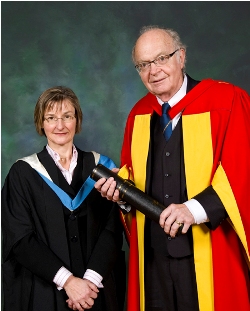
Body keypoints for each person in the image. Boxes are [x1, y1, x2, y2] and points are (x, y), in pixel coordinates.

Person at [95, 25, 250, 311]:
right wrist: (120, 191)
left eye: (161, 59)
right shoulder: (139, 114)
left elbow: (243, 171)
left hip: (209, 253)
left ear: (181, 57)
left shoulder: (226, 101)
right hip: (153, 259)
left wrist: (193, 210)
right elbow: (134, 174)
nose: (153, 71)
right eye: (143, 65)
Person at [2, 86, 126, 311]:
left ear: (76, 120)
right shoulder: (22, 173)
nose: (60, 126)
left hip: (95, 291)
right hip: (43, 293)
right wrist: (68, 282)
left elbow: (113, 229)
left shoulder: (103, 168)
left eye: (67, 116)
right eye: (51, 118)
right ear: (41, 123)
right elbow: (19, 238)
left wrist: (88, 283)